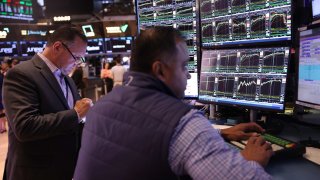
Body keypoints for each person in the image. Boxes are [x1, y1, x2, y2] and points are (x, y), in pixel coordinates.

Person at [74, 27, 273, 179]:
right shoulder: (184, 124)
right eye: (184, 65)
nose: (187, 74)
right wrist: (251, 162)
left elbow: (141, 136)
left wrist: (218, 133)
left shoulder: (101, 106)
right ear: (160, 70)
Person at [3, 26, 93, 180]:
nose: (78, 63)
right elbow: (25, 126)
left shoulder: (67, 79)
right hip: (36, 172)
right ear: (58, 47)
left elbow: (75, 123)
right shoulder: (21, 74)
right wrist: (76, 114)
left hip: (66, 169)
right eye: (76, 57)